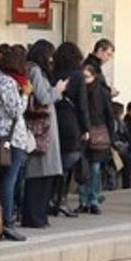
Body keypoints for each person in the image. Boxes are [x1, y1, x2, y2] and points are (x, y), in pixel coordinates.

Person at [21, 40, 67, 228]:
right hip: (42, 128)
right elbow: (44, 97)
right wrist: (58, 90)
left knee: (42, 174)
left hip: (41, 126)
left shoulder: (31, 69)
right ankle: (35, 217)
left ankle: (37, 216)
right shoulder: (36, 71)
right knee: (40, 175)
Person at [0, 45, 30, 242]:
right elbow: (16, 110)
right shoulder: (7, 82)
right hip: (11, 138)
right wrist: (25, 94)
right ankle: (7, 222)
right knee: (8, 179)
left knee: (3, 180)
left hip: (0, 134)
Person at [51, 42, 89, 217]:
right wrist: (86, 128)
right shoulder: (77, 76)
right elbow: (82, 105)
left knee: (55, 162)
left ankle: (52, 199)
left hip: (53, 121)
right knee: (68, 163)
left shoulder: (52, 74)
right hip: (71, 123)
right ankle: (62, 199)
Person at [79, 62, 114, 214]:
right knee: (82, 168)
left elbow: (109, 115)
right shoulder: (78, 90)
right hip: (81, 133)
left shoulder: (101, 93)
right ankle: (83, 200)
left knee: (94, 168)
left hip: (98, 133)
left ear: (94, 76)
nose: (84, 80)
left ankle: (92, 199)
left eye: (86, 76)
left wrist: (111, 136)